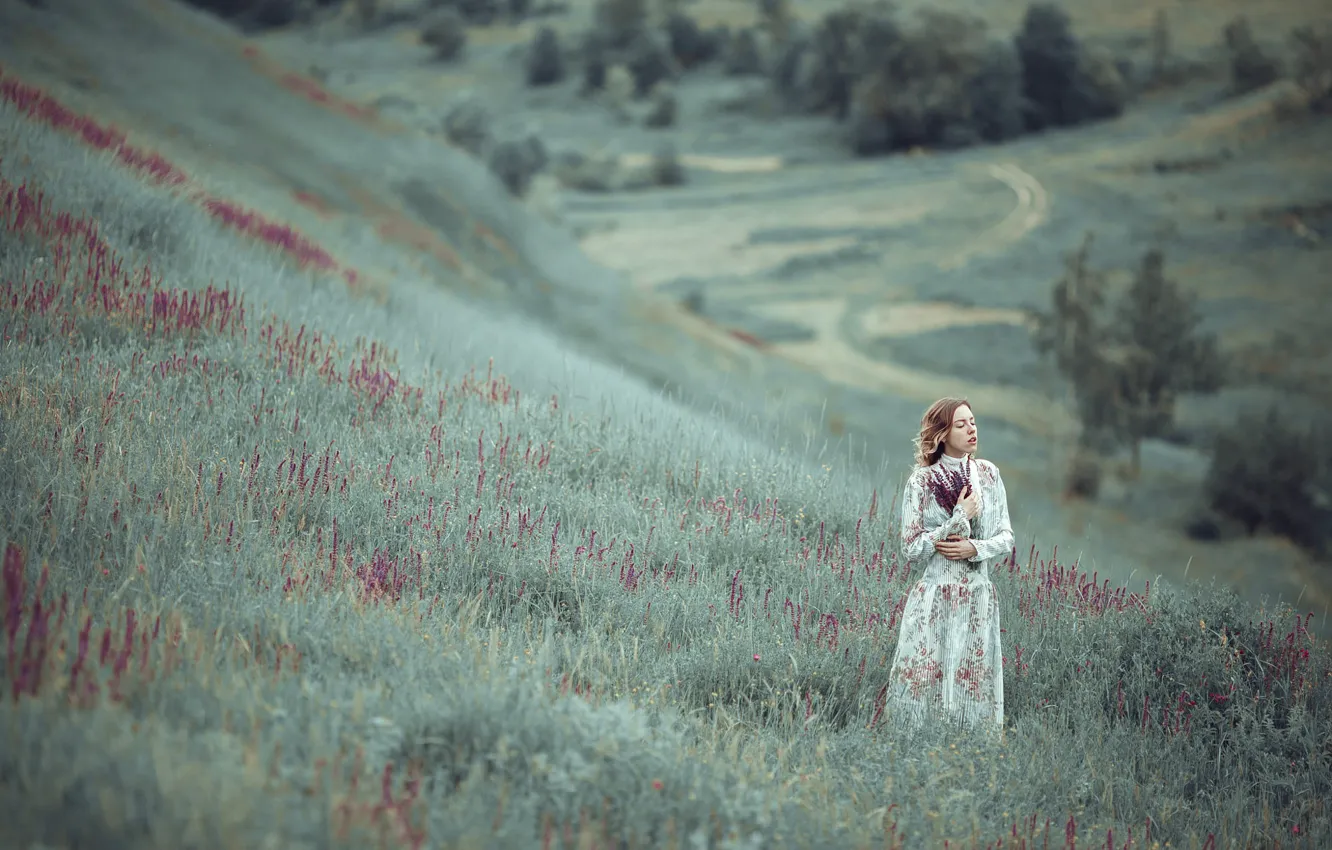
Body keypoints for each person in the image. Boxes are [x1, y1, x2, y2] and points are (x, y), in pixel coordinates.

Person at [885, 397, 1013, 734]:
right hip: (935, 597)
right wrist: (957, 519)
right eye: (961, 424)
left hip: (978, 598)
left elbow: (1006, 537)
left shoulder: (988, 474)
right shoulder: (921, 482)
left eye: (972, 422)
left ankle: (969, 754)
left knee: (972, 684)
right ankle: (917, 749)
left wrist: (975, 547)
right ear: (942, 433)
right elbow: (911, 548)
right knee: (926, 681)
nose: (971, 429)